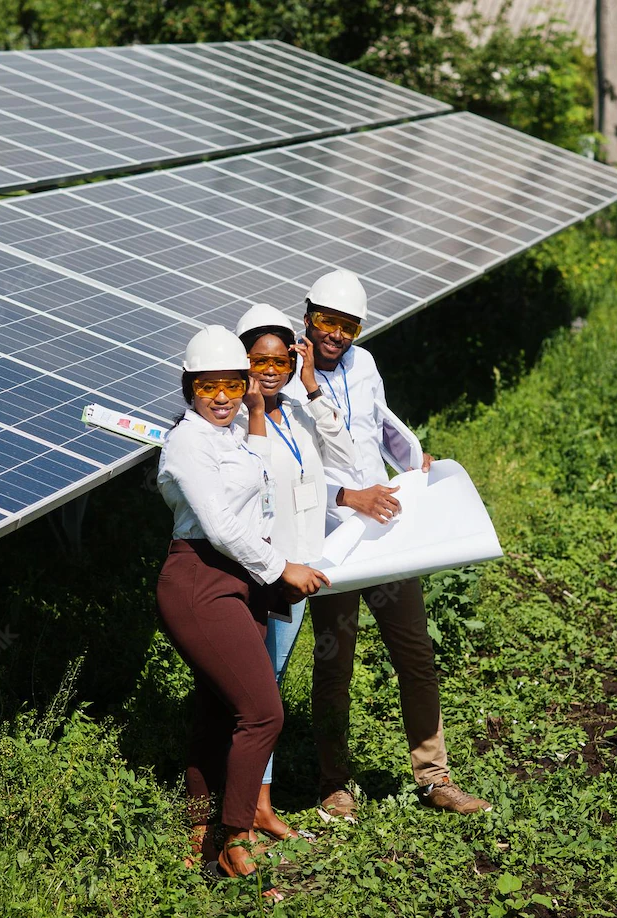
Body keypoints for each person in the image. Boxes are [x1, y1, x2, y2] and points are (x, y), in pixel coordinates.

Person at [286, 269, 493, 820]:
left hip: (386, 532)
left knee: (415, 653)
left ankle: (435, 778)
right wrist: (349, 496)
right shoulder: (285, 377)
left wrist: (413, 462)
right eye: (327, 321)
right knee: (335, 663)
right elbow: (288, 471)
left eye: (348, 325)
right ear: (308, 315)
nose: (336, 334)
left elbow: (381, 423)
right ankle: (335, 784)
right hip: (331, 540)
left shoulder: (365, 364)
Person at [154, 325, 329, 899]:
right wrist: (282, 569)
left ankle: (198, 835)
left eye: (234, 383)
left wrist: (256, 411)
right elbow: (224, 526)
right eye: (210, 386)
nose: (223, 396)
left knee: (217, 711)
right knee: (264, 713)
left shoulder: (230, 435)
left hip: (238, 582)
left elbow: (256, 468)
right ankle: (235, 839)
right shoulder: (188, 443)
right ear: (189, 387)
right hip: (200, 581)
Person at [232, 303, 356, 842]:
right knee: (258, 695)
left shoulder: (301, 410)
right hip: (265, 572)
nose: (272, 369)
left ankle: (257, 803)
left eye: (283, 358)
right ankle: (246, 808)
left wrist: (313, 388)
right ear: (241, 362)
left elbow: (346, 457)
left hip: (302, 569)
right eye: (261, 360)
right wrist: (254, 408)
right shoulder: (232, 421)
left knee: (270, 688)